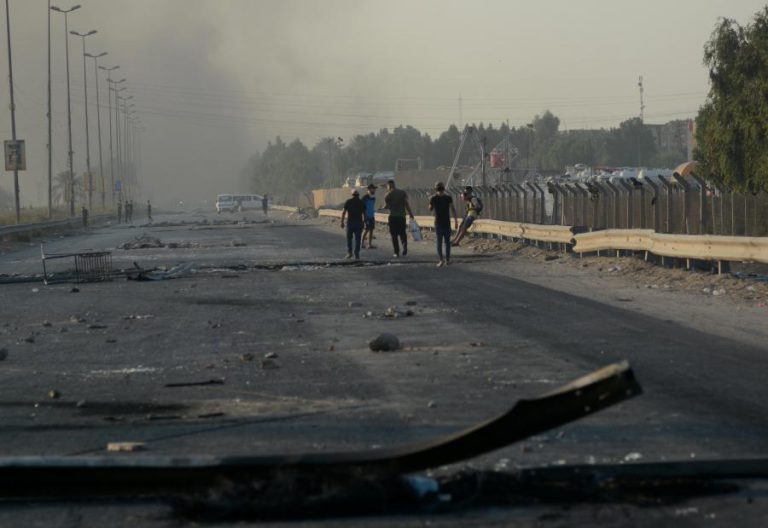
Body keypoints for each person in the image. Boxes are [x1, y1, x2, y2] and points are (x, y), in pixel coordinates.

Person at [429, 182, 459, 267]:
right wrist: (456, 221)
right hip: (447, 222)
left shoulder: (433, 198)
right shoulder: (448, 198)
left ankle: (441, 260)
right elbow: (453, 209)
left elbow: (430, 209)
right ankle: (448, 260)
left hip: (438, 223)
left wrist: (430, 200)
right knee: (447, 243)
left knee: (439, 242)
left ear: (435, 189)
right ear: (443, 188)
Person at [382, 180, 414, 258]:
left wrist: (382, 207)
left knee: (394, 235)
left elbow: (387, 206)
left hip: (393, 217)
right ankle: (404, 245)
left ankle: (396, 252)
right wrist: (411, 214)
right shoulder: (402, 193)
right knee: (402, 232)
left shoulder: (387, 195)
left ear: (389, 186)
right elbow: (406, 204)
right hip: (402, 217)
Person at [340, 188, 365, 260]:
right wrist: (364, 222)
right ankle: (356, 253)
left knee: (349, 238)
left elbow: (343, 212)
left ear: (352, 195)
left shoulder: (348, 201)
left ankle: (349, 253)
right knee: (358, 239)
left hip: (350, 223)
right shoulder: (361, 202)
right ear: (358, 195)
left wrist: (342, 222)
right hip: (358, 223)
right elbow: (364, 214)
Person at [361, 184, 377, 249]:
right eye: (373, 189)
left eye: (374, 189)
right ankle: (362, 244)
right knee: (367, 230)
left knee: (371, 230)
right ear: (369, 189)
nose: (374, 190)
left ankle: (369, 244)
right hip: (366, 216)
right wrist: (364, 217)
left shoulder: (373, 198)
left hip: (372, 216)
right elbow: (362, 208)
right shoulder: (364, 198)